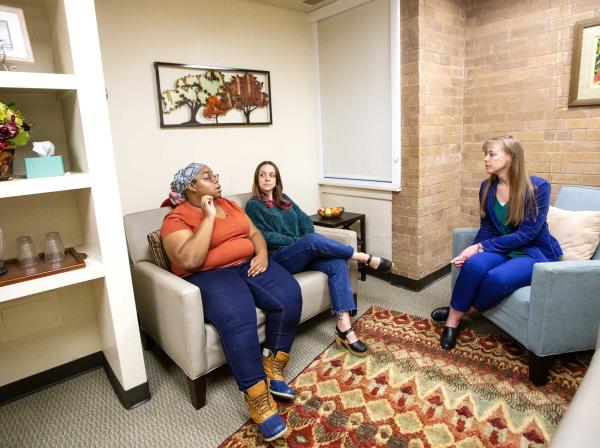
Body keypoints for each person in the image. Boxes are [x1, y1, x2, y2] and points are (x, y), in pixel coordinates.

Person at [160, 163, 302, 442]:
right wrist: (209, 217)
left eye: (215, 175)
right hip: (210, 275)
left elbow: (254, 235)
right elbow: (189, 260)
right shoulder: (176, 219)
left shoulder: (232, 205)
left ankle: (273, 365)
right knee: (239, 315)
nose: (216, 179)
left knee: (289, 294)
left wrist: (261, 255)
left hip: (248, 264)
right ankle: (258, 398)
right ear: (191, 187)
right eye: (207, 177)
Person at [244, 161, 393, 357]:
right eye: (262, 175)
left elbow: (306, 220)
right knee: (311, 241)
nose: (267, 178)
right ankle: (363, 257)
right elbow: (263, 236)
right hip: (278, 258)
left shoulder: (284, 199)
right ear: (257, 179)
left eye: (271, 175)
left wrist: (304, 240)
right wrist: (299, 241)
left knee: (337, 263)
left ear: (277, 179)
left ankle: (344, 327)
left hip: (300, 252)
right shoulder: (253, 205)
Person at [430, 136, 562, 350]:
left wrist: (480, 247)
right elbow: (488, 228)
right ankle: (452, 322)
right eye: (485, 154)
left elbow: (528, 234)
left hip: (532, 251)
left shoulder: (538, 187)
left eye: (491, 154)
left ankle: (464, 312)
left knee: (497, 278)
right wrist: (473, 252)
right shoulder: (487, 187)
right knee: (473, 265)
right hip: (502, 246)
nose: (485, 159)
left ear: (510, 157)